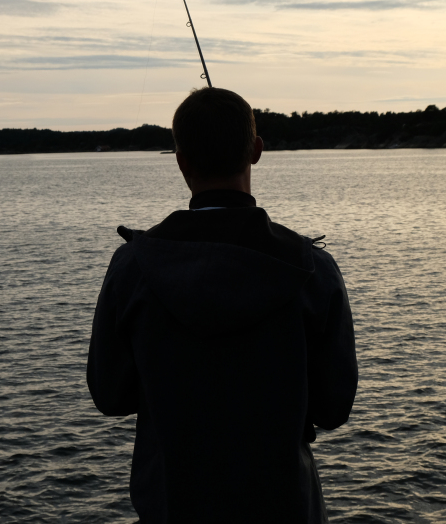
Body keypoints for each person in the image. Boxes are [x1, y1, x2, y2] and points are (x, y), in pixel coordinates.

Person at [87, 87, 358, 523]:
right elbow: (333, 408)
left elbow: (110, 396)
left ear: (181, 161)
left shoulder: (132, 268)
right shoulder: (312, 269)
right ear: (256, 151)